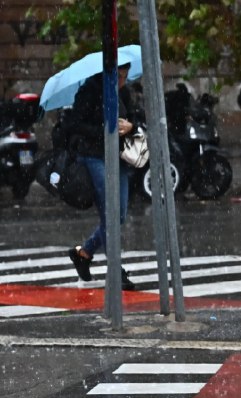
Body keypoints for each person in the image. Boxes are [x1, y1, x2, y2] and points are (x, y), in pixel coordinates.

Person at [66, 63, 140, 291]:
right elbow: (75, 124)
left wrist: (131, 126)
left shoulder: (122, 93)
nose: (121, 81)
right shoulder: (90, 90)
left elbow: (136, 117)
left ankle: (84, 253)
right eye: (118, 76)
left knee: (118, 215)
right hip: (95, 156)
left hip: (119, 158)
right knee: (110, 211)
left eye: (125, 77)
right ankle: (116, 270)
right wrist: (104, 130)